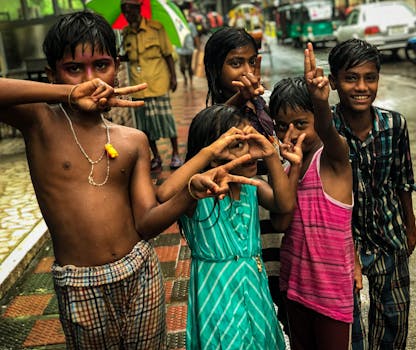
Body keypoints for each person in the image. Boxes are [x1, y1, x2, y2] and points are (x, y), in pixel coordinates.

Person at [0, 11, 260, 349]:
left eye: (101, 65)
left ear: (117, 67)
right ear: (53, 74)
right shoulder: (40, 124)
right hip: (80, 283)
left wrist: (189, 194)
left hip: (140, 271)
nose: (91, 80)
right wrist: (65, 94)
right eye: (74, 68)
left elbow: (147, 222)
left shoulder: (132, 139)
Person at [157, 104, 304, 349]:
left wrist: (270, 155)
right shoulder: (197, 193)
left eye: (248, 142)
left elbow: (284, 203)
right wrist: (207, 154)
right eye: (236, 145)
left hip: (254, 291)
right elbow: (164, 193)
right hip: (217, 296)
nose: (248, 152)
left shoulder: (251, 185)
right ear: (213, 152)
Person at [328, 38, 416, 349]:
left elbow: (402, 180)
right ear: (333, 82)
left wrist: (410, 225)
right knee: (346, 325)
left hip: (388, 235)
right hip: (343, 242)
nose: (361, 87)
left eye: (370, 77)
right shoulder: (326, 128)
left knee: (393, 319)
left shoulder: (394, 125)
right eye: (350, 78)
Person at [269, 43, 355, 350]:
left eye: (301, 124)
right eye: (281, 126)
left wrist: (321, 105)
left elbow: (330, 133)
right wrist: (288, 168)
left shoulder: (334, 159)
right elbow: (280, 221)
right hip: (294, 286)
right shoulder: (284, 166)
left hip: (331, 293)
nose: (291, 133)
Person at [203, 26, 287, 321]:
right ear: (215, 68)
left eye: (252, 62)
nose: (247, 70)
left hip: (273, 209)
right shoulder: (215, 114)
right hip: (246, 220)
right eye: (236, 63)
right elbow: (218, 127)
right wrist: (239, 99)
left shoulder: (260, 104)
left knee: (278, 289)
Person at [120, 0, 183, 172]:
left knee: (166, 120)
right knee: (145, 125)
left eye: (130, 11)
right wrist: (119, 58)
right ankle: (156, 156)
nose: (127, 15)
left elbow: (168, 54)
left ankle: (176, 154)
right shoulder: (126, 33)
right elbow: (129, 56)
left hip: (157, 82)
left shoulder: (157, 28)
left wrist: (174, 77)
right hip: (138, 85)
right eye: (124, 12)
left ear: (138, 9)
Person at [176, 13, 198, 88]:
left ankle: (191, 81)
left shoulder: (191, 25)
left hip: (189, 48)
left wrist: (197, 47)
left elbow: (195, 35)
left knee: (190, 67)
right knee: (182, 66)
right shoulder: (177, 25)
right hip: (180, 49)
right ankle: (185, 78)